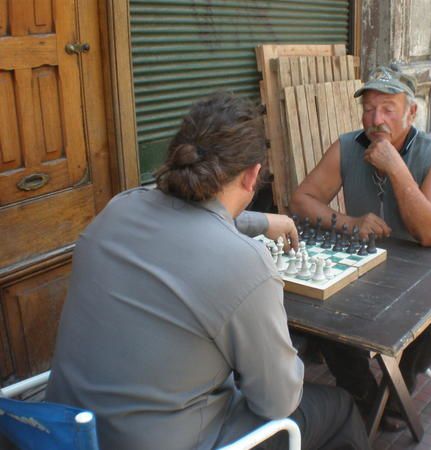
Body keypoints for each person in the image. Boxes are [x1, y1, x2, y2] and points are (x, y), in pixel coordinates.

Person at [45, 93, 370, 450]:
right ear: (252, 176)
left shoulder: (118, 208)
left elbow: (188, 215)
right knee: (339, 408)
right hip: (169, 442)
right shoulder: (244, 264)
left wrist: (260, 221)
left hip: (66, 432)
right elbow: (278, 403)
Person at [290, 63, 431, 430]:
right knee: (327, 317)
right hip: (371, 259)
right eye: (369, 108)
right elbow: (302, 199)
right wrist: (350, 223)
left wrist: (396, 168)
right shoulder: (348, 146)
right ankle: (365, 395)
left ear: (411, 112)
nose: (376, 118)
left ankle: (399, 389)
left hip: (429, 262)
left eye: (388, 108)